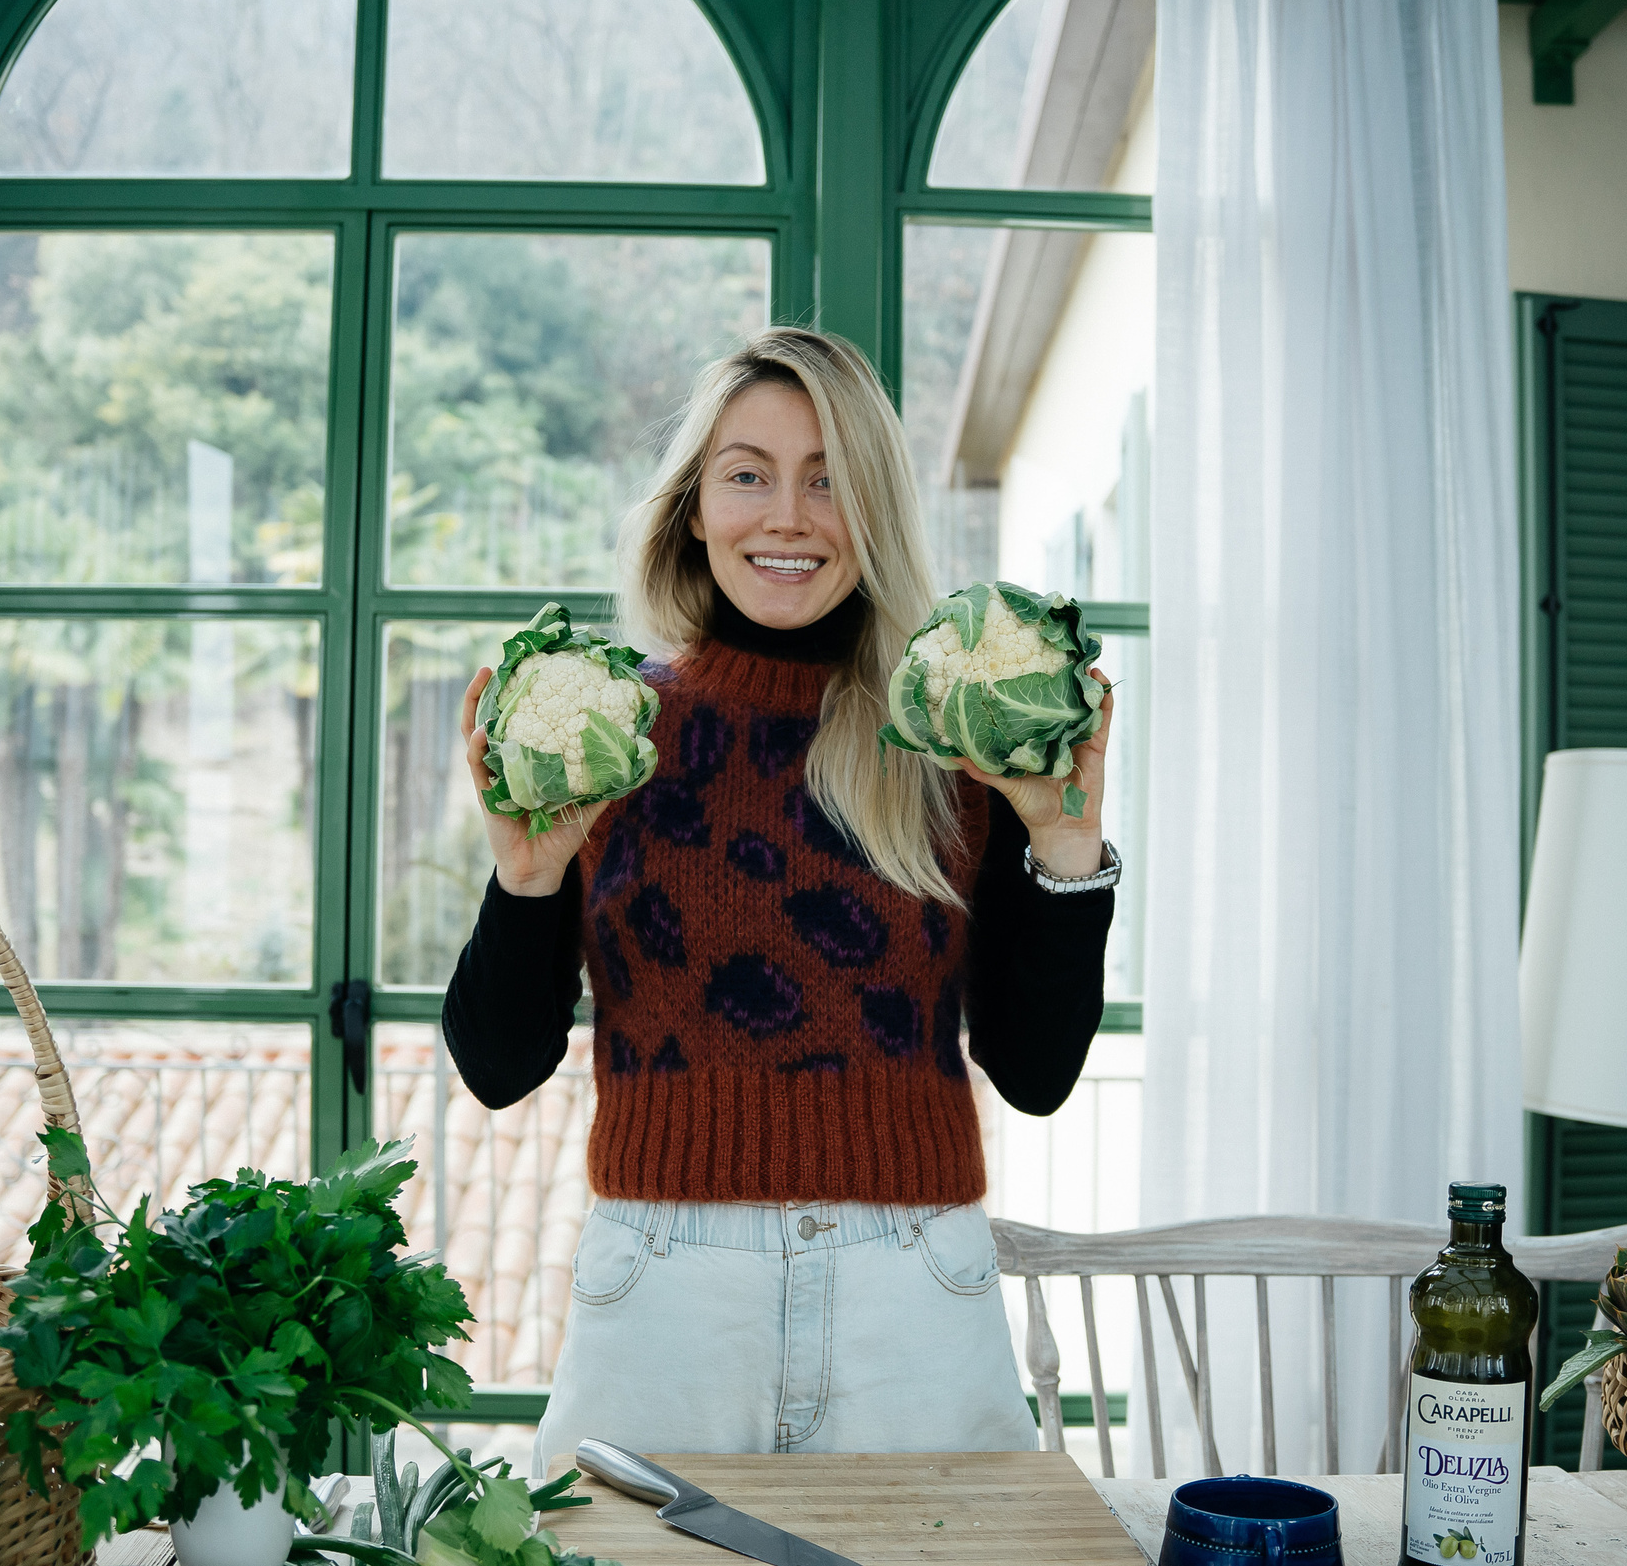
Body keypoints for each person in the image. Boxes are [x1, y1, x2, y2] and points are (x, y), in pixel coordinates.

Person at [441, 326, 1119, 1470]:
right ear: (692, 510)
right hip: (662, 1286)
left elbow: (1036, 1073)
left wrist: (1061, 849)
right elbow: (498, 1068)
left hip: (916, 1285)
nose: (788, 516)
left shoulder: (954, 740)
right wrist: (526, 875)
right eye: (747, 474)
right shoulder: (607, 734)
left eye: (828, 479)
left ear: (875, 511)